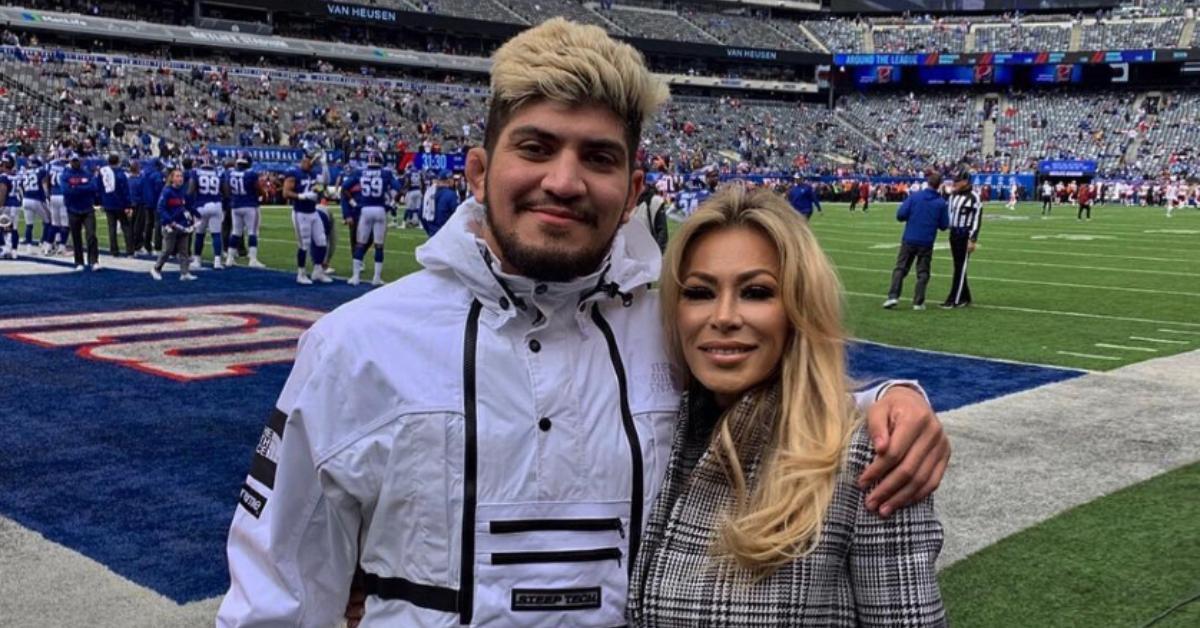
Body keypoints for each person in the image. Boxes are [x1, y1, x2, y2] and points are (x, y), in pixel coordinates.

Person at [217, 19, 949, 627]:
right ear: (478, 172)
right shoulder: (355, 345)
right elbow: (274, 595)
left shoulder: (667, 324)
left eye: (596, 157)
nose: (563, 182)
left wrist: (889, 401)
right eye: (535, 147)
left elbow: (779, 397)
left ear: (633, 191)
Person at [628, 184, 945, 626]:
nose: (723, 316)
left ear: (799, 306)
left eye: (756, 292)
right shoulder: (657, 428)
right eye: (699, 292)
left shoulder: (867, 460)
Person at [883, 171, 949, 311]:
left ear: (928, 182)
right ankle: (918, 302)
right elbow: (944, 225)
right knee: (923, 271)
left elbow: (900, 215)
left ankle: (893, 296)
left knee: (900, 268)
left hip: (910, 238)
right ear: (939, 186)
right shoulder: (941, 203)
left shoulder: (915, 197)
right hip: (926, 241)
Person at [345, 151, 398, 285]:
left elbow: (345, 188)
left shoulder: (359, 172)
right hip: (380, 209)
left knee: (360, 243)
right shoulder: (386, 173)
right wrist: (391, 204)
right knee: (379, 245)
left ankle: (355, 277)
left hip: (365, 209)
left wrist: (354, 204)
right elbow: (398, 188)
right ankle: (376, 278)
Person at [282, 149, 332, 284]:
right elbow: (285, 193)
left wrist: (325, 165)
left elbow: (326, 182)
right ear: (303, 160)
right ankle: (301, 273)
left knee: (321, 241)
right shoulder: (294, 173)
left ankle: (318, 271)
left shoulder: (314, 173)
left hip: (313, 211)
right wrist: (301, 196)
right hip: (300, 212)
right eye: (307, 161)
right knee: (304, 244)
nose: (309, 164)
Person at [942, 171, 981, 309]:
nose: (954, 184)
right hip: (953, 234)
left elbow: (977, 219)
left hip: (965, 235)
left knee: (960, 267)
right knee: (958, 266)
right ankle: (965, 296)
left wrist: (973, 239)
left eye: (957, 182)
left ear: (965, 182)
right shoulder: (953, 196)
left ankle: (954, 299)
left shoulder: (973, 197)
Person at [150, 168, 196, 281]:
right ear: (172, 178)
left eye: (181, 176)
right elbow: (160, 208)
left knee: (184, 250)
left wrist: (196, 215)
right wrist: (169, 220)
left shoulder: (182, 192)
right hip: (170, 225)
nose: (180, 178)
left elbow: (187, 206)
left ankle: (184, 272)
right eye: (177, 176)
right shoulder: (167, 191)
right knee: (168, 250)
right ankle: (156, 268)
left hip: (182, 224)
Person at [224, 153, 266, 268]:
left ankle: (229, 258)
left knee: (236, 232)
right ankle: (252, 259)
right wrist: (263, 194)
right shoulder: (251, 174)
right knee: (252, 232)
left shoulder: (230, 173)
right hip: (249, 205)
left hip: (236, 205)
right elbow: (258, 188)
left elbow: (227, 189)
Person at [62, 153, 101, 271]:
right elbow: (66, 191)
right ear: (70, 162)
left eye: (77, 161)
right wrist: (83, 187)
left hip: (87, 208)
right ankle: (79, 262)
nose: (75, 163)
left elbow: (93, 187)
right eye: (73, 161)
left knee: (91, 235)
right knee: (76, 237)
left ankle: (94, 260)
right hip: (73, 209)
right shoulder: (66, 175)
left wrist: (76, 187)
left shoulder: (87, 173)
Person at [189, 154, 226, 269]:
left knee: (199, 234)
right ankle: (217, 261)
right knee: (216, 234)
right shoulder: (219, 173)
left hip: (201, 205)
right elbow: (225, 191)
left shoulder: (196, 173)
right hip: (216, 204)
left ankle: (197, 260)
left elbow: (191, 190)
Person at [99, 153, 134, 258]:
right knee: (126, 227)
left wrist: (101, 202)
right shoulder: (121, 174)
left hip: (109, 203)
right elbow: (125, 190)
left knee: (112, 227)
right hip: (120, 204)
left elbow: (100, 188)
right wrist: (128, 205)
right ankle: (130, 251)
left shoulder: (104, 173)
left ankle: (114, 251)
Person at [18, 155, 49, 255]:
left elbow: (22, 186)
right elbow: (45, 187)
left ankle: (29, 247)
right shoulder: (41, 171)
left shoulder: (25, 172)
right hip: (37, 199)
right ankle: (43, 242)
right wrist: (47, 196)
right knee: (48, 222)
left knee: (29, 225)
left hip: (26, 199)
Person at [632, 177, 668, 253]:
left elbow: (662, 232)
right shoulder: (626, 202)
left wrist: (655, 256)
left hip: (649, 255)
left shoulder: (654, 201)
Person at [140, 158, 166, 255]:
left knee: (148, 224)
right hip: (156, 201)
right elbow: (159, 188)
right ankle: (157, 247)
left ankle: (147, 246)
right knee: (157, 223)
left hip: (146, 201)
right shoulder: (157, 174)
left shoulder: (143, 173)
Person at [0, 155, 18, 259]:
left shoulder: (3, 177)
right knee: (13, 229)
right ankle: (14, 251)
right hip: (15, 204)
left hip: (6, 205)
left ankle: (4, 249)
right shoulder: (16, 175)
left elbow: (3, 192)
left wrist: (0, 206)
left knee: (3, 228)